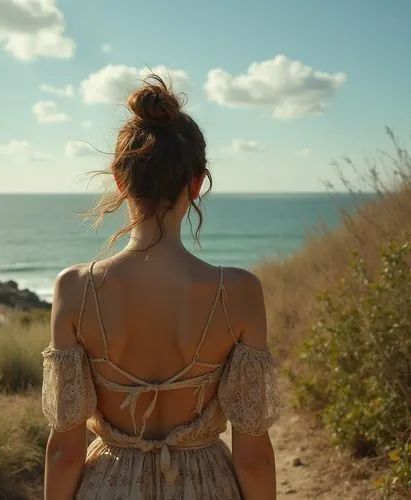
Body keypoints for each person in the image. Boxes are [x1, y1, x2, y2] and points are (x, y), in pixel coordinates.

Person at [41, 74, 280, 499]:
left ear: (119, 179)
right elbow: (254, 457)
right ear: (197, 183)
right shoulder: (239, 292)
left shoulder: (75, 290)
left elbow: (65, 452)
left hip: (109, 486)